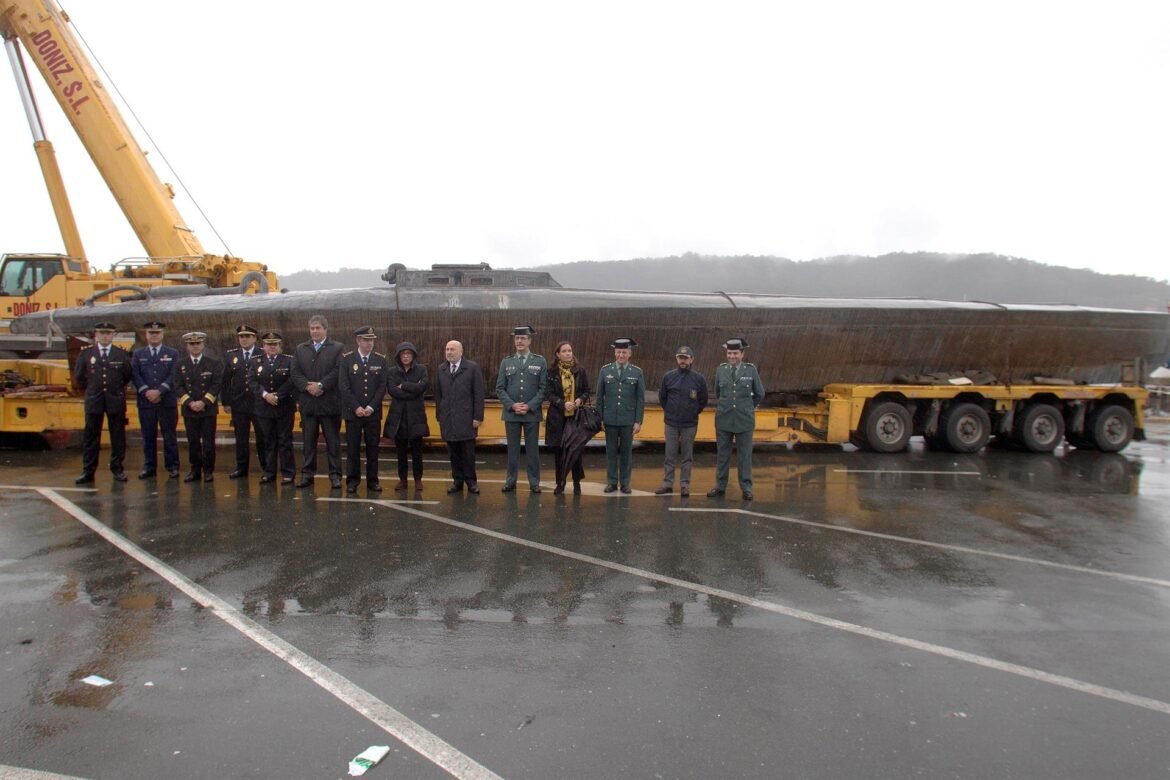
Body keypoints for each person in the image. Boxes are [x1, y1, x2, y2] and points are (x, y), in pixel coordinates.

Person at [73, 321, 133, 484]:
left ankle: (117, 469)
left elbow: (126, 375)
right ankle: (88, 471)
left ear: (113, 335)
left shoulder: (121, 354)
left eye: (108, 333)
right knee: (91, 437)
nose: (105, 336)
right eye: (102, 333)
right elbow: (79, 377)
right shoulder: (86, 354)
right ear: (96, 335)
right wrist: (93, 389)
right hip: (94, 400)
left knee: (117, 436)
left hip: (115, 400)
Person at [708, 337, 765, 501]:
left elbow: (759, 393)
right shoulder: (721, 370)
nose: (732, 356)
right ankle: (720, 486)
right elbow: (718, 393)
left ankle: (746, 488)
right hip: (724, 419)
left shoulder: (751, 370)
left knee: (744, 456)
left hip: (744, 420)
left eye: (735, 353)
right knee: (722, 455)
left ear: (742, 354)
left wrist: (748, 407)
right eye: (729, 353)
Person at [291, 314, 344, 489]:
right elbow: (295, 372)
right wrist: (308, 386)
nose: (314, 331)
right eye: (312, 328)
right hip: (309, 404)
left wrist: (321, 385)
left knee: (333, 443)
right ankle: (307, 475)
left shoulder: (337, 348)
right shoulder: (301, 349)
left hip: (329, 404)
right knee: (308, 443)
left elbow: (338, 371)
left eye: (318, 328)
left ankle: (335, 475)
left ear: (325, 329)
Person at [495, 325, 547, 493]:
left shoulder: (540, 361)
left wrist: (530, 406)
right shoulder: (506, 362)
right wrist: (512, 405)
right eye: (517, 338)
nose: (519, 341)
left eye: (523, 338)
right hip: (512, 414)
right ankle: (511, 481)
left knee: (532, 450)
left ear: (529, 340)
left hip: (531, 414)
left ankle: (534, 482)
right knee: (512, 450)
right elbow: (500, 388)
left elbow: (543, 388)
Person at [339, 326, 388, 494]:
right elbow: (343, 386)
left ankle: (373, 481)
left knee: (372, 449)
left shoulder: (380, 360)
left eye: (372, 340)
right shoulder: (347, 359)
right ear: (358, 340)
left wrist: (371, 407)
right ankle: (352, 481)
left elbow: (382, 386)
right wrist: (356, 407)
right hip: (353, 413)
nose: (370, 343)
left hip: (372, 414)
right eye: (366, 340)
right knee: (353, 449)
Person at [131, 320, 180, 479]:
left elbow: (174, 375)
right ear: (146, 335)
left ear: (162, 334)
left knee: (169, 435)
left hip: (166, 401)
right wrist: (146, 392)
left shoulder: (173, 353)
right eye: (151, 333)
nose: (154, 335)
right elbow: (135, 375)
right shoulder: (138, 354)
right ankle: (149, 467)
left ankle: (172, 466)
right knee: (148, 436)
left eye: (157, 333)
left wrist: (159, 391)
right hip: (146, 402)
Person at [657, 345, 708, 497]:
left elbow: (703, 400)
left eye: (686, 358)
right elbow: (663, 398)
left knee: (687, 456)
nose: (683, 361)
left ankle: (685, 485)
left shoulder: (699, 379)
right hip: (671, 423)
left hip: (689, 424)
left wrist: (692, 412)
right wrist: (670, 412)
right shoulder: (668, 377)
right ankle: (667, 483)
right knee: (670, 455)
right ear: (676, 359)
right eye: (680, 358)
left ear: (692, 360)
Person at [434, 340, 484, 494]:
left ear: (461, 352)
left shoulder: (472, 368)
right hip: (448, 418)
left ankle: (471, 482)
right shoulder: (441, 369)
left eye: (452, 349)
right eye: (447, 349)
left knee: (468, 453)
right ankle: (457, 481)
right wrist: (439, 415)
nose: (449, 352)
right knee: (453, 453)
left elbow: (478, 394)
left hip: (467, 418)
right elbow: (438, 394)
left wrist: (478, 417)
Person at [595, 337, 644, 494]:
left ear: (630, 354)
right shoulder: (605, 370)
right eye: (618, 352)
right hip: (609, 419)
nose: (621, 355)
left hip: (627, 419)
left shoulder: (637, 372)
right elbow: (599, 397)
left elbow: (640, 399)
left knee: (626, 453)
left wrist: (638, 421)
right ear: (614, 353)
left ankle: (625, 483)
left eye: (624, 352)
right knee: (610, 452)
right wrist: (600, 418)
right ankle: (611, 482)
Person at [175, 331, 224, 482]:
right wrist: (190, 402)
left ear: (203, 345)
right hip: (189, 409)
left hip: (207, 409)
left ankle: (208, 471)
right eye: (192, 344)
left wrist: (203, 402)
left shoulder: (213, 364)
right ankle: (195, 470)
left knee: (208, 442)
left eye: (198, 343)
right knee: (193, 442)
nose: (195, 346)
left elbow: (216, 385)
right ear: (187, 346)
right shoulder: (180, 365)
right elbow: (178, 386)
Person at [250, 332, 297, 484]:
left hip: (283, 406)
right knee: (268, 441)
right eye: (269, 344)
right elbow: (252, 381)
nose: (272, 347)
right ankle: (269, 472)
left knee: (285, 441)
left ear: (279, 345)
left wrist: (277, 395)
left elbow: (292, 380)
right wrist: (265, 395)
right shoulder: (255, 361)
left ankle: (288, 472)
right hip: (264, 407)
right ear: (263, 346)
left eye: (275, 344)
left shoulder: (288, 361)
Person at [545, 340, 591, 495]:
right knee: (559, 452)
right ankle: (560, 483)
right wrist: (562, 403)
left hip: (575, 417)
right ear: (557, 354)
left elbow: (586, 390)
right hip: (558, 417)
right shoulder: (551, 372)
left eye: (569, 351)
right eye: (564, 351)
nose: (567, 353)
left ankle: (577, 483)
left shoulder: (580, 370)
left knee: (575, 451)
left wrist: (579, 401)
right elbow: (548, 393)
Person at [384, 341, 430, 491]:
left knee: (417, 451)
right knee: (401, 452)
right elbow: (393, 391)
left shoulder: (421, 369)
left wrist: (404, 386)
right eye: (403, 354)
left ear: (413, 356)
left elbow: (422, 387)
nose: (405, 356)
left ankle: (418, 479)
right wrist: (413, 390)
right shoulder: (392, 372)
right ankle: (402, 480)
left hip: (416, 417)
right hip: (399, 418)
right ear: (398, 356)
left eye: (408, 354)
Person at [222, 324, 266, 479]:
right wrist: (226, 402)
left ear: (254, 338)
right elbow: (226, 380)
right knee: (241, 438)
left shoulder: (262, 353)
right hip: (239, 404)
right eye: (241, 337)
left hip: (258, 403)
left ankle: (266, 467)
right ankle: (241, 468)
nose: (244, 339)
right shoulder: (232, 355)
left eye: (247, 336)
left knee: (262, 437)